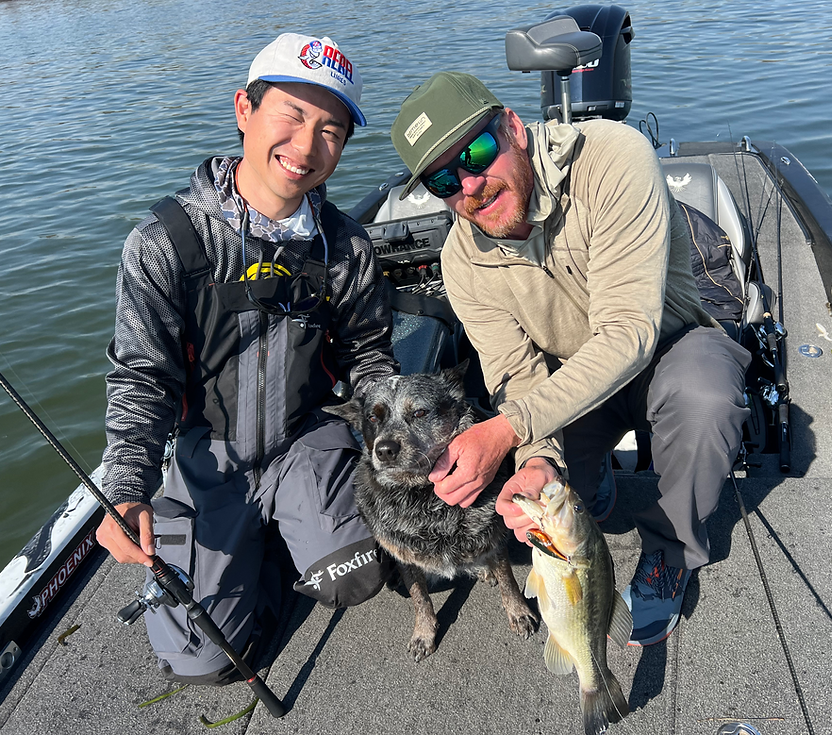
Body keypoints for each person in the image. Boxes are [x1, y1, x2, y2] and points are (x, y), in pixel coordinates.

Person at [390, 72, 751, 646]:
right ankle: (590, 474)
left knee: (706, 401)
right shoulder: (461, 260)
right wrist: (538, 458)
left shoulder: (612, 157)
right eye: (443, 180)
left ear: (513, 127)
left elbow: (630, 333)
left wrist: (508, 430)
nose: (470, 184)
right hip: (568, 381)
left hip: (670, 347)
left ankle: (669, 553)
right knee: (535, 498)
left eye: (477, 152)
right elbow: (515, 371)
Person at [97, 32, 398, 683]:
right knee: (203, 660)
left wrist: (397, 438)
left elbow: (370, 359)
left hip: (306, 437)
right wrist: (126, 489)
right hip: (210, 453)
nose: (307, 146)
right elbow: (141, 378)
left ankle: (295, 532)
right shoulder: (163, 243)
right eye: (292, 115)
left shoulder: (346, 247)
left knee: (358, 572)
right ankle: (258, 547)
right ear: (244, 109)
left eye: (331, 131)